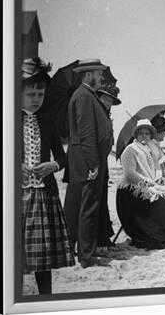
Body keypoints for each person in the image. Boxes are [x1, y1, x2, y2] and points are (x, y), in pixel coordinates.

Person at [20, 58, 74, 294]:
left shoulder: (48, 122)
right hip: (17, 195)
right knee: (16, 255)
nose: (36, 100)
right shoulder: (7, 120)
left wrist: (53, 165)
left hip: (44, 196)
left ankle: (45, 297)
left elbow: (63, 157)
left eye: (40, 94)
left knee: (43, 256)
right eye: (30, 94)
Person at [64, 59, 114, 268]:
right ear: (87, 75)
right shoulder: (84, 96)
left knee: (79, 206)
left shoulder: (86, 95)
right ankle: (86, 255)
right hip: (88, 160)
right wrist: (93, 164)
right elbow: (86, 133)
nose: (101, 77)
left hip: (84, 159)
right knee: (88, 207)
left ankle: (82, 251)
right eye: (98, 73)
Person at [116, 119, 165, 249]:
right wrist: (147, 183)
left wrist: (156, 180)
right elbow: (129, 174)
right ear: (136, 135)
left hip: (146, 185)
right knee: (161, 205)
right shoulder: (130, 150)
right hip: (132, 190)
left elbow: (152, 170)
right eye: (141, 133)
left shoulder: (148, 149)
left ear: (150, 136)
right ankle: (155, 235)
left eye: (147, 133)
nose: (144, 135)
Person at [94, 83, 122, 251]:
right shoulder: (96, 114)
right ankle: (98, 239)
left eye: (110, 100)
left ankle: (102, 237)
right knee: (96, 200)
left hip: (103, 162)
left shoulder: (106, 116)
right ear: (99, 97)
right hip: (95, 161)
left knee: (102, 197)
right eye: (105, 98)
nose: (108, 102)